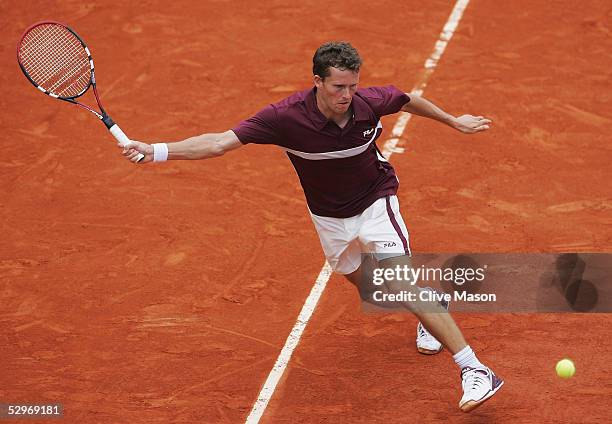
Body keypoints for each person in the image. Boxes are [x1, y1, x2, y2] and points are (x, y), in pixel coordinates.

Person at [120, 41, 503, 412]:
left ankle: (475, 369)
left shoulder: (369, 102)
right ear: (317, 81)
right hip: (329, 217)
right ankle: (430, 303)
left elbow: (406, 99)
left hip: (376, 201)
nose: (347, 95)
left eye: (352, 85)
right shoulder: (284, 118)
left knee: (399, 280)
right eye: (338, 86)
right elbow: (220, 142)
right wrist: (156, 150)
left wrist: (453, 121)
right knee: (371, 287)